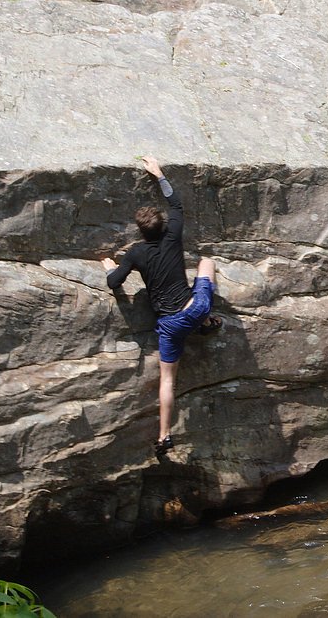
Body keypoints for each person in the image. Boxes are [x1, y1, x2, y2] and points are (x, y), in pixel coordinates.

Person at [101, 156, 222, 457]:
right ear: (162, 226)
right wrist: (159, 174)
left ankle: (164, 436)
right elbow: (177, 205)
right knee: (207, 262)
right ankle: (205, 323)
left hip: (170, 323)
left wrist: (108, 266)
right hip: (196, 307)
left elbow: (114, 283)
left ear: (140, 231)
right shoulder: (173, 234)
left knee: (168, 379)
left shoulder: (136, 253)